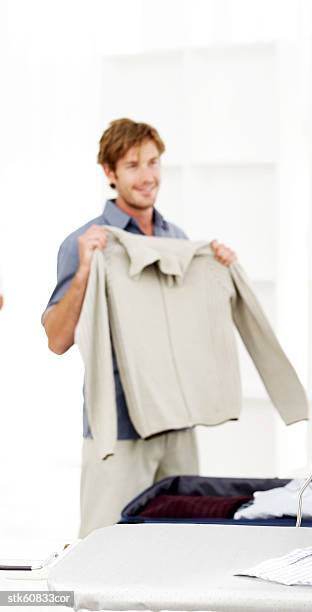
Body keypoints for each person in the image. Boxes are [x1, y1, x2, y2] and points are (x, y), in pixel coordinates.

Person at [42, 118, 236, 537]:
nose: (148, 176)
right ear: (110, 174)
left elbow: (192, 331)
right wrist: (84, 272)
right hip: (118, 430)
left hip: (177, 423)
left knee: (183, 541)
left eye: (153, 162)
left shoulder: (178, 240)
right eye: (133, 165)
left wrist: (218, 273)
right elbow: (57, 340)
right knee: (103, 547)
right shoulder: (86, 243)